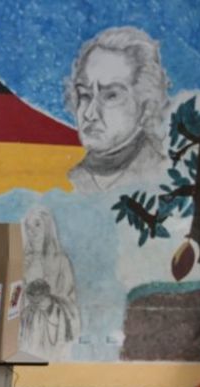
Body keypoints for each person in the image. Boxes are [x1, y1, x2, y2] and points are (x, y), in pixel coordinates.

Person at [64, 26, 170, 193]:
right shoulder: (67, 180)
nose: (90, 114)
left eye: (111, 96)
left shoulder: (164, 177)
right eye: (85, 95)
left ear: (146, 105)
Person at [20, 206, 81, 359]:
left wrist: (50, 303)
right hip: (27, 329)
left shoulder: (61, 260)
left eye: (37, 225)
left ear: (48, 227)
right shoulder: (22, 262)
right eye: (27, 227)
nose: (31, 231)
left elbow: (69, 299)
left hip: (53, 330)